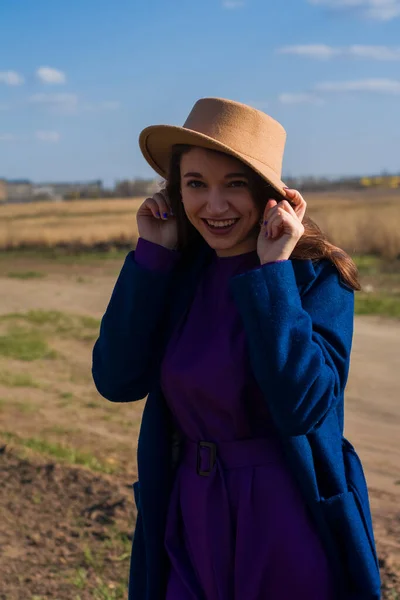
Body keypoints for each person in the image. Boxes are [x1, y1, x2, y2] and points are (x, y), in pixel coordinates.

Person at [92, 98, 381, 600]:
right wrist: (153, 257)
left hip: (285, 513)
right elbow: (116, 380)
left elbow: (303, 408)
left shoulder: (314, 276)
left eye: (236, 184)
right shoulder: (176, 271)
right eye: (196, 184)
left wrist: (272, 275)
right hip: (188, 511)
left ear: (272, 195)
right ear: (176, 191)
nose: (215, 206)